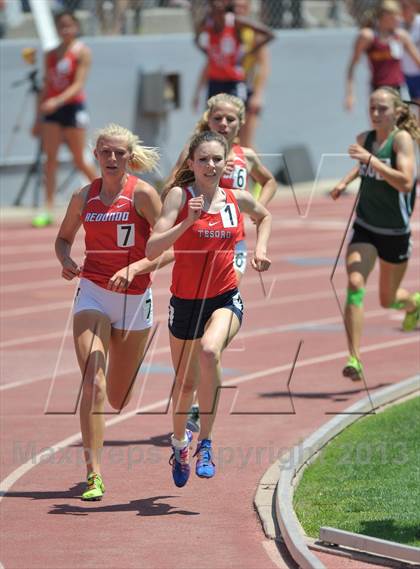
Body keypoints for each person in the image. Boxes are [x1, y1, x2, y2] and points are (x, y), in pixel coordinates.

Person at [146, 130, 272, 487]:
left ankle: (206, 443)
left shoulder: (237, 199)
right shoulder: (178, 196)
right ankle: (179, 444)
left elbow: (265, 217)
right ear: (191, 164)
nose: (211, 165)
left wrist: (260, 250)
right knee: (185, 385)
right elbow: (153, 249)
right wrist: (187, 222)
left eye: (218, 159)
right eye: (203, 159)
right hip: (184, 303)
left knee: (209, 351)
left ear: (227, 161)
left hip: (224, 297)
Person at [55, 123, 171, 500]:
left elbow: (169, 250)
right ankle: (95, 474)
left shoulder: (143, 195)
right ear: (96, 155)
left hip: (135, 300)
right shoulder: (83, 196)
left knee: (118, 397)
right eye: (105, 151)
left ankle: (117, 396)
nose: (112, 158)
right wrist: (66, 259)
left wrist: (135, 268)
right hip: (92, 294)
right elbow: (62, 238)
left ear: (129, 156)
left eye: (119, 152)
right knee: (94, 382)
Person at [166, 93, 277, 433]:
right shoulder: (197, 152)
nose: (224, 124)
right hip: (197, 235)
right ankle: (201, 376)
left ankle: (209, 359)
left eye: (231, 120)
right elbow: (171, 187)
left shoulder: (246, 156)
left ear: (240, 124)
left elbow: (269, 182)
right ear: (208, 119)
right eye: (219, 119)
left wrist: (255, 208)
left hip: (233, 241)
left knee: (222, 294)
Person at [331, 87, 420, 381]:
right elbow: (362, 165)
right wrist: (344, 182)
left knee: (388, 300)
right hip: (366, 226)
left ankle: (413, 304)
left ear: (396, 112)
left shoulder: (402, 140)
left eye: (382, 109)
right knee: (355, 282)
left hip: (395, 231)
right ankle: (354, 358)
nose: (376, 114)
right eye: (372, 108)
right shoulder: (364, 139)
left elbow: (405, 182)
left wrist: (371, 161)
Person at [32, 10, 96, 228]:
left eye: (69, 26)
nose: (65, 30)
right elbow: (46, 85)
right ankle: (48, 207)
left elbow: (78, 84)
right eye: (61, 26)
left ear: (76, 28)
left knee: (79, 159)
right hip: (52, 110)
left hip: (71, 108)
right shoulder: (50, 54)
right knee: (50, 160)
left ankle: (107, 192)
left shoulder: (82, 52)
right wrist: (37, 118)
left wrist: (56, 101)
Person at [191, 0, 274, 111]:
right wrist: (208, 52)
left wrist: (250, 51)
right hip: (214, 81)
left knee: (233, 116)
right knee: (213, 118)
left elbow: (268, 34)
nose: (217, 4)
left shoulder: (235, 22)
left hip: (233, 80)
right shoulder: (207, 23)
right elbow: (196, 39)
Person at [344, 0, 420, 111]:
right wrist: (350, 94)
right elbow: (352, 66)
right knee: (380, 124)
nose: (399, 19)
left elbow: (418, 61)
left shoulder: (400, 36)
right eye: (395, 16)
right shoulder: (368, 36)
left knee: (402, 125)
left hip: (399, 89)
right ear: (385, 16)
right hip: (377, 89)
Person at [233, 0, 271, 148]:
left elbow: (264, 66)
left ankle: (256, 171)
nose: (238, 10)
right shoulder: (226, 29)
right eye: (235, 6)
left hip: (248, 89)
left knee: (246, 144)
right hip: (230, 87)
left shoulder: (254, 32)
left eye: (242, 7)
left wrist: (258, 94)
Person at [401, 0, 420, 105]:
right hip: (403, 75)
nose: (403, 10)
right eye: (401, 6)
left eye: (406, 6)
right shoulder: (397, 24)